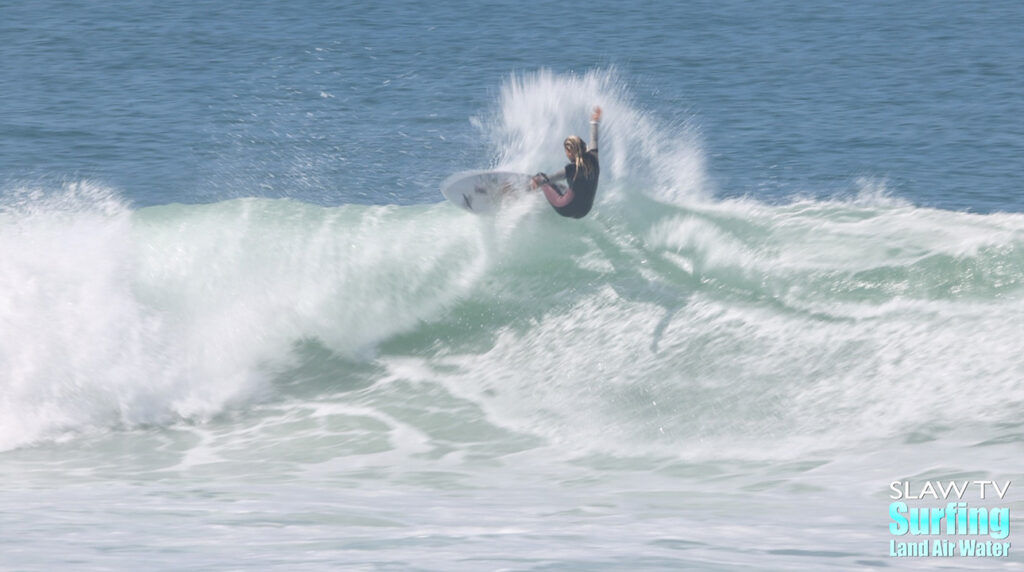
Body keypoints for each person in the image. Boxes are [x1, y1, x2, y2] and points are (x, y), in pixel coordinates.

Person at [531, 106, 602, 219]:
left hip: (565, 208)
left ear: (571, 152)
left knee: (540, 176)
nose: (566, 154)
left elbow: (548, 179)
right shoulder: (594, 158)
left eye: (566, 151)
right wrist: (594, 121)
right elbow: (594, 139)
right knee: (564, 188)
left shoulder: (570, 169)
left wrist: (536, 181)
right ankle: (559, 191)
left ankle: (521, 192)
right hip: (584, 211)